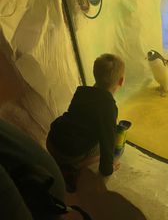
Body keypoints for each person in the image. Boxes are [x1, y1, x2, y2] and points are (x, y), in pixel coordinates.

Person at [47, 53, 125, 192]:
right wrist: (109, 168)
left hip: (52, 140)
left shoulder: (81, 91)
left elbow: (77, 120)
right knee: (101, 147)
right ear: (121, 81)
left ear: (94, 73)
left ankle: (60, 164)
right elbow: (107, 143)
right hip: (68, 154)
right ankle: (72, 170)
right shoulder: (108, 106)